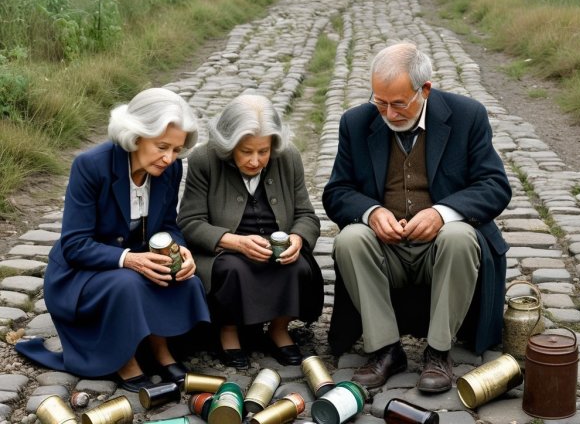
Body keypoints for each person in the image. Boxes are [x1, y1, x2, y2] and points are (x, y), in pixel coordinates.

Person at [322, 42, 511, 393]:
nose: (388, 114)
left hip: (442, 249)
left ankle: (439, 352)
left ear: (425, 89)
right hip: (386, 250)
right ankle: (386, 350)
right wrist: (371, 211)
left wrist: (443, 214)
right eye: (380, 102)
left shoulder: (467, 115)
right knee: (350, 239)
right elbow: (336, 192)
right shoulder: (355, 122)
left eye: (398, 103)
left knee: (459, 236)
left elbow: (495, 186)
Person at [15, 88, 211, 392]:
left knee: (181, 278)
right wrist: (129, 259)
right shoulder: (91, 166)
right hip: (81, 273)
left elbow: (169, 225)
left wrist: (180, 249)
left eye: (176, 149)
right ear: (136, 135)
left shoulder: (170, 170)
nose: (169, 158)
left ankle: (161, 351)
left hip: (133, 261)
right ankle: (124, 361)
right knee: (129, 282)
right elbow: (75, 245)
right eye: (162, 146)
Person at [177, 94, 323, 369]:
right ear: (228, 144)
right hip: (227, 249)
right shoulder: (204, 159)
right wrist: (234, 242)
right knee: (234, 270)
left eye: (263, 151)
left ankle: (279, 329)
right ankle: (228, 332)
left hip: (274, 245)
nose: (256, 160)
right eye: (246, 151)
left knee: (298, 267)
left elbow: (306, 215)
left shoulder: (288, 156)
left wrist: (297, 238)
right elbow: (190, 221)